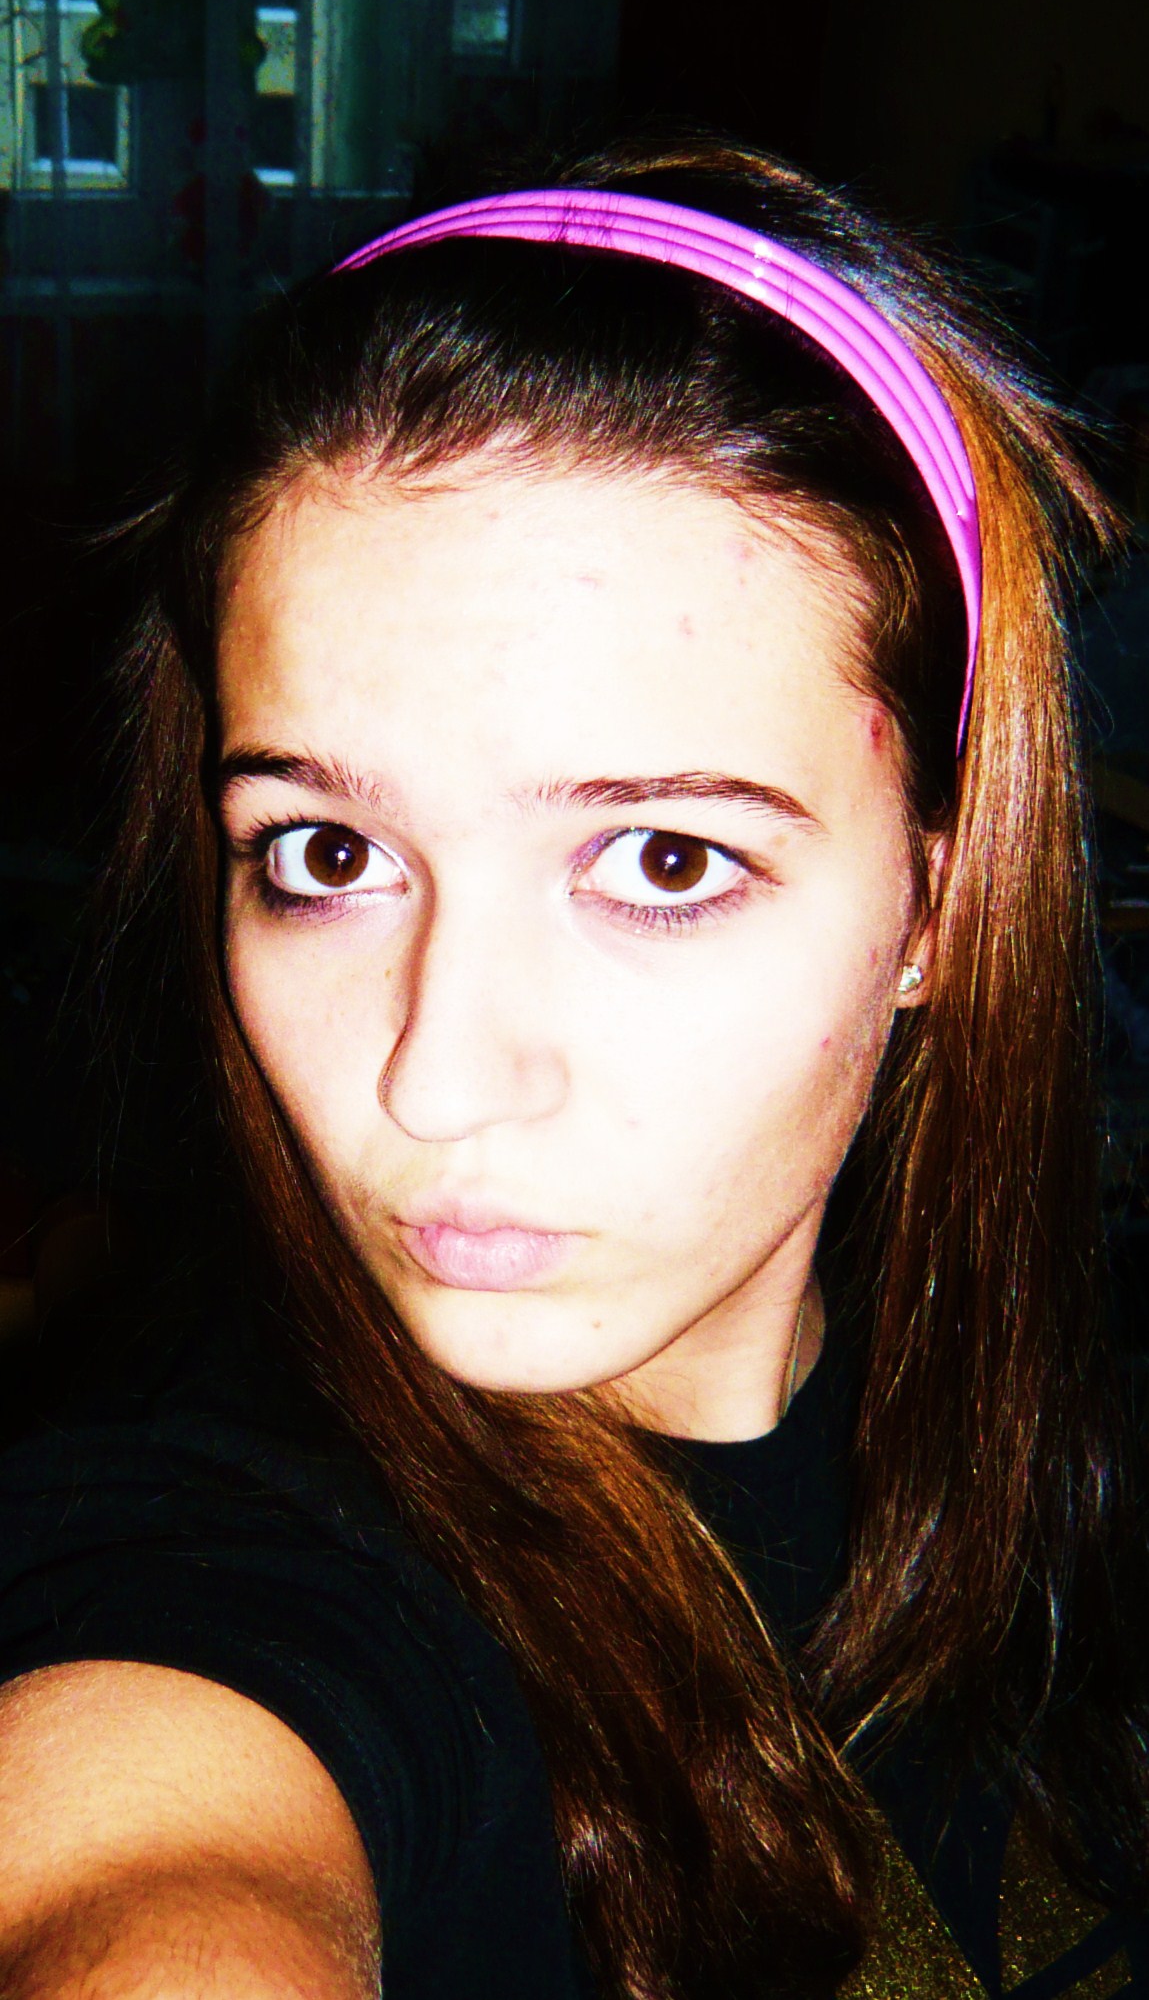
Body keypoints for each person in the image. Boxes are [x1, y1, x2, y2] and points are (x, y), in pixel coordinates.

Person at [0, 138, 1144, 2000]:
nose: (438, 1078)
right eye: (326, 853)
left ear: (934, 904)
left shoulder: (1032, 1417)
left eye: (664, 861)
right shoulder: (209, 1566)